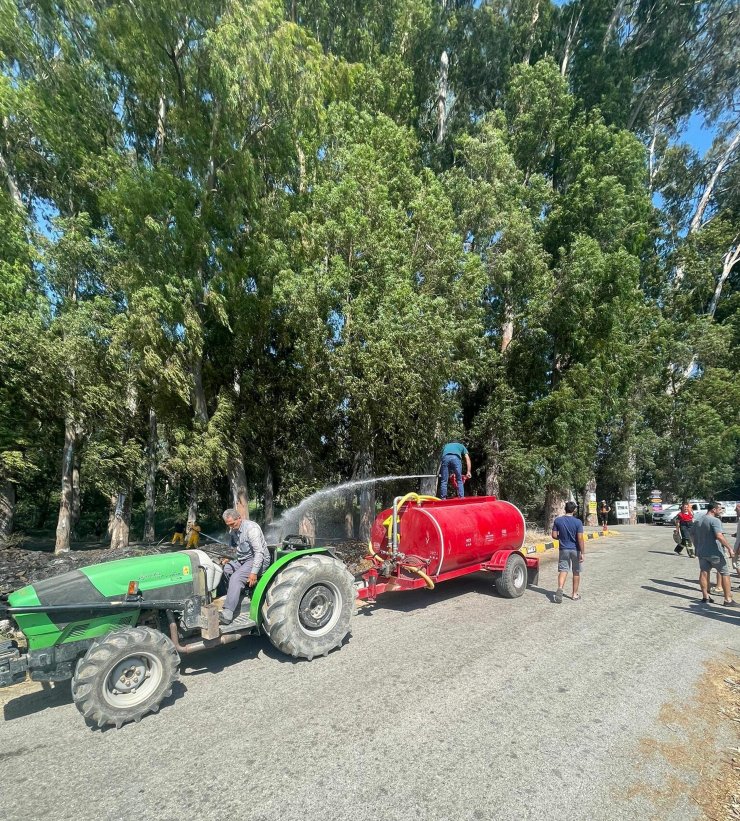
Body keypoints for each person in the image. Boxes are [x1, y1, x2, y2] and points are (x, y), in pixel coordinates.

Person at [219, 508, 271, 624]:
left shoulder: (251, 529)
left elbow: (259, 553)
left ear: (239, 518)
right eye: (228, 525)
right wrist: (228, 557)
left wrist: (253, 573)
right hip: (243, 559)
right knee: (225, 570)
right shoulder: (233, 529)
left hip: (257, 559)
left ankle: (228, 613)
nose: (231, 527)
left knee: (236, 577)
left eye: (233, 524)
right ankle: (231, 597)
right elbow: (233, 547)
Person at [692, 500, 736, 607]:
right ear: (713, 509)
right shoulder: (715, 520)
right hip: (715, 553)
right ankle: (727, 599)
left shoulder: (698, 520)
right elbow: (719, 536)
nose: (720, 511)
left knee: (704, 572)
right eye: (719, 509)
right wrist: (730, 548)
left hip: (702, 552)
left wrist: (697, 547)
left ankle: (705, 597)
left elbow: (692, 535)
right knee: (725, 573)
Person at [552, 501, 585, 603]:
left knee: (563, 570)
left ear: (565, 509)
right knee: (576, 571)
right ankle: (574, 594)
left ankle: (560, 588)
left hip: (563, 549)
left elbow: (553, 535)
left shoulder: (558, 521)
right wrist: (582, 552)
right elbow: (580, 538)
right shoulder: (578, 522)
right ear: (574, 510)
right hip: (575, 550)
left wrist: (561, 538)